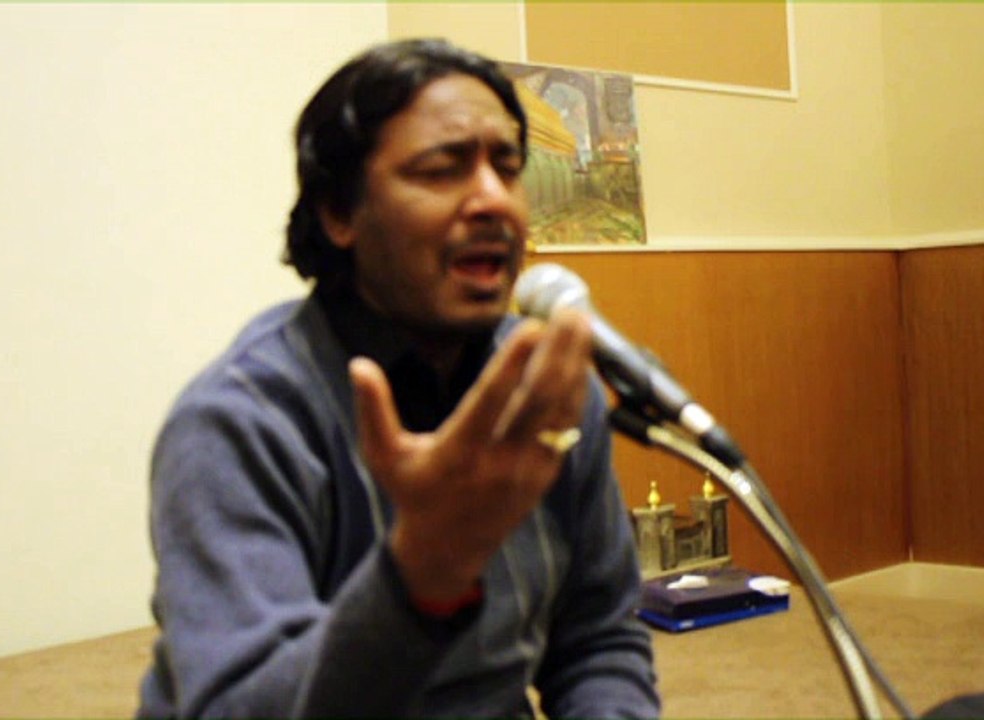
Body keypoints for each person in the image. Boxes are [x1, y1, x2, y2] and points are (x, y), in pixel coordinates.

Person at [137, 38, 660, 719]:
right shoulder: (236, 421)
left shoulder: (546, 390)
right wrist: (424, 571)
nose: (493, 199)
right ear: (339, 212)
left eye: (507, 168)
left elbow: (600, 640)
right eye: (442, 170)